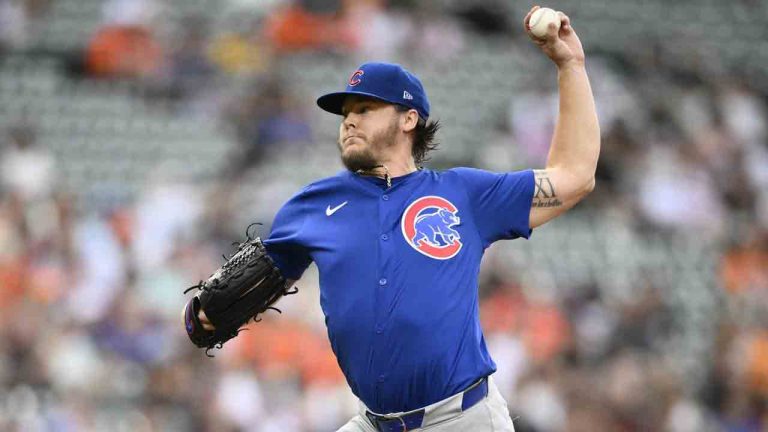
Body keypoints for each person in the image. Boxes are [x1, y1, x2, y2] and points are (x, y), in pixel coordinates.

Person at [197, 6, 599, 431]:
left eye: (365, 108)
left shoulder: (463, 194)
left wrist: (570, 65)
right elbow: (252, 283)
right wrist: (203, 315)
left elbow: (574, 177)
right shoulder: (314, 205)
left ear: (409, 119)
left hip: (461, 419)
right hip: (373, 422)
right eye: (345, 113)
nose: (349, 121)